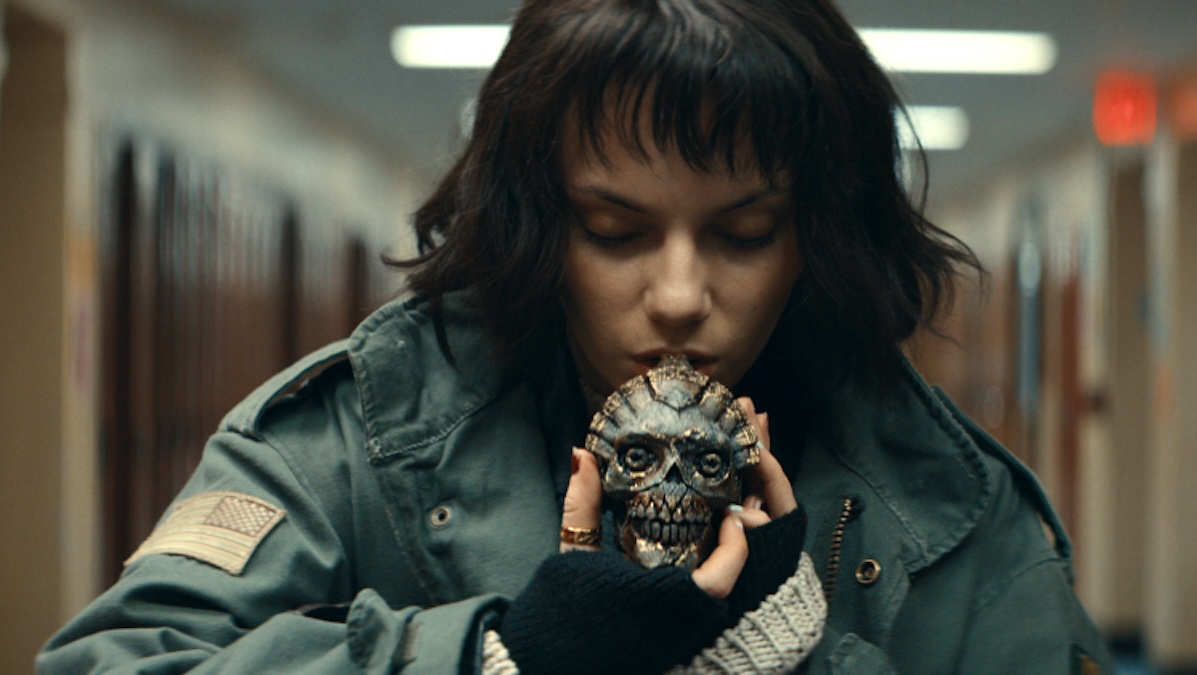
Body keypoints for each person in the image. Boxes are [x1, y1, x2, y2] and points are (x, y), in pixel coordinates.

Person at [39, 0, 1113, 672]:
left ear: (815, 240)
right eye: (615, 231)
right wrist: (498, 656)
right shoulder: (358, 439)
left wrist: (796, 652)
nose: (680, 296)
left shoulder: (952, 511)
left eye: (743, 234)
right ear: (538, 229)